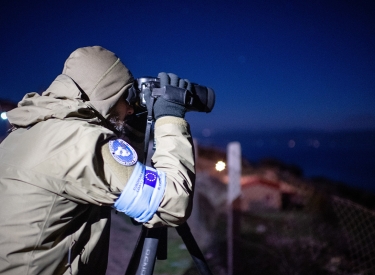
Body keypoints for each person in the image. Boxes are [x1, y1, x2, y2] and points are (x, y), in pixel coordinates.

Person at [0, 46, 195, 274]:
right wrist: (170, 116)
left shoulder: (24, 133)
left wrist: (134, 134)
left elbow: (109, 181)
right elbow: (173, 203)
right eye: (125, 97)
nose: (131, 110)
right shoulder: (81, 142)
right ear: (106, 95)